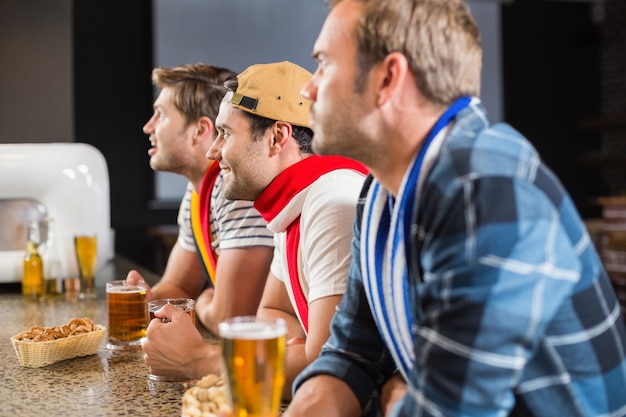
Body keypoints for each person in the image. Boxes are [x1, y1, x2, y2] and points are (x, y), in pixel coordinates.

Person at [284, 1, 626, 416]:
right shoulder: (380, 192)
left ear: (388, 78)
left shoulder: (484, 187)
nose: (308, 88)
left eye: (323, 63)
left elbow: (449, 409)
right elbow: (353, 353)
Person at [147, 61, 368, 392]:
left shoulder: (330, 202)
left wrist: (198, 359)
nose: (212, 151)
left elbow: (330, 364)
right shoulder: (292, 204)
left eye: (225, 134)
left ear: (277, 137)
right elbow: (271, 314)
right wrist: (292, 356)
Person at [129, 63, 274, 341]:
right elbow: (180, 285)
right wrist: (148, 299)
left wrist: (206, 301)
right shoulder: (199, 191)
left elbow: (231, 322)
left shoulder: (236, 190)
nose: (148, 126)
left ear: (199, 130)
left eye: (160, 114)